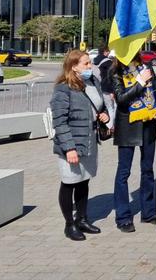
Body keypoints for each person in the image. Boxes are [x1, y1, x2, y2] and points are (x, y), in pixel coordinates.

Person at [50, 49, 109, 241]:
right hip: (72, 143)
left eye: (90, 63)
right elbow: (59, 121)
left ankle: (82, 218)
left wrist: (104, 115)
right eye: (86, 64)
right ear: (74, 67)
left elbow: (100, 105)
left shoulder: (93, 82)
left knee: (84, 181)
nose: (90, 67)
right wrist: (69, 148)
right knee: (69, 183)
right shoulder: (63, 88)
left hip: (90, 140)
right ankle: (69, 224)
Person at [112, 54, 156, 232]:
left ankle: (148, 212)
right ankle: (123, 216)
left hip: (148, 124)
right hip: (128, 125)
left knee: (148, 170)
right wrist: (140, 82)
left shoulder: (146, 67)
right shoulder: (116, 72)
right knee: (124, 172)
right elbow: (121, 99)